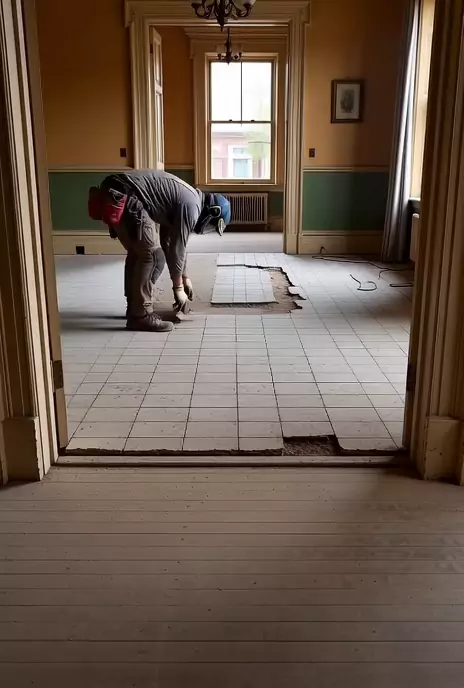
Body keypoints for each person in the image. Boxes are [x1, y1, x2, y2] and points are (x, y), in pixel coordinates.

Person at [88, 170, 231, 332]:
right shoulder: (192, 206)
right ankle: (141, 315)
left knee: (138, 254)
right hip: (128, 196)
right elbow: (178, 247)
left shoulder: (188, 198)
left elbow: (169, 242)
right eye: (212, 225)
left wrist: (184, 278)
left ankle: (134, 308)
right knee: (153, 257)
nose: (206, 228)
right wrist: (178, 288)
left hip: (114, 193)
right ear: (213, 211)